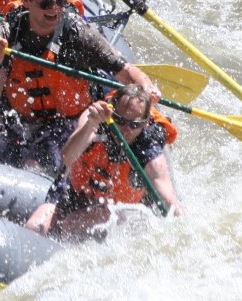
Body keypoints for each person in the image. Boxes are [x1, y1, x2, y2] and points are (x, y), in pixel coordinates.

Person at [0, 0, 160, 178]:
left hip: (69, 123)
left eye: (60, 1)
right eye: (46, 3)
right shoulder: (10, 32)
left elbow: (124, 70)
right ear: (26, 0)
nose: (54, 9)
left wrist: (147, 88)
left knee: (36, 164)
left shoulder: (76, 32)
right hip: (20, 123)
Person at [25, 85, 183, 239]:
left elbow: (168, 199)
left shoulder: (149, 148)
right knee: (34, 227)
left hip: (119, 209)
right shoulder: (95, 118)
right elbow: (67, 158)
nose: (126, 130)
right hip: (74, 191)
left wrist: (181, 231)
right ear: (111, 112)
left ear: (146, 122)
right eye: (120, 121)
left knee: (71, 224)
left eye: (134, 125)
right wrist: (91, 124)